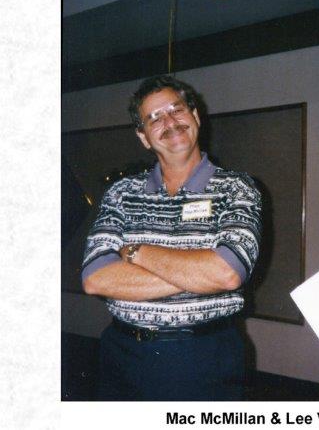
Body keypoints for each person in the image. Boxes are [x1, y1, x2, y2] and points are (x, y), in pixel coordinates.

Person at [81, 75, 262, 401]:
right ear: (143, 137)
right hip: (121, 354)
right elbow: (96, 278)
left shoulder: (237, 189)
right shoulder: (121, 193)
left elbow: (227, 273)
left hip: (202, 357)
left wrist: (136, 252)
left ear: (195, 116)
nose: (169, 122)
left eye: (176, 110)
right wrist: (199, 272)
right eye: (154, 118)